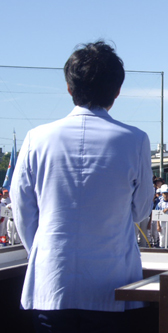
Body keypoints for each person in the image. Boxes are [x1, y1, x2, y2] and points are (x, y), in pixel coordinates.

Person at [10, 41, 154, 331]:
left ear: (69, 87)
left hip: (52, 283)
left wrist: (43, 248)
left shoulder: (36, 138)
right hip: (112, 284)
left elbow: (22, 207)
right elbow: (140, 211)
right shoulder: (135, 140)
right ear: (117, 91)